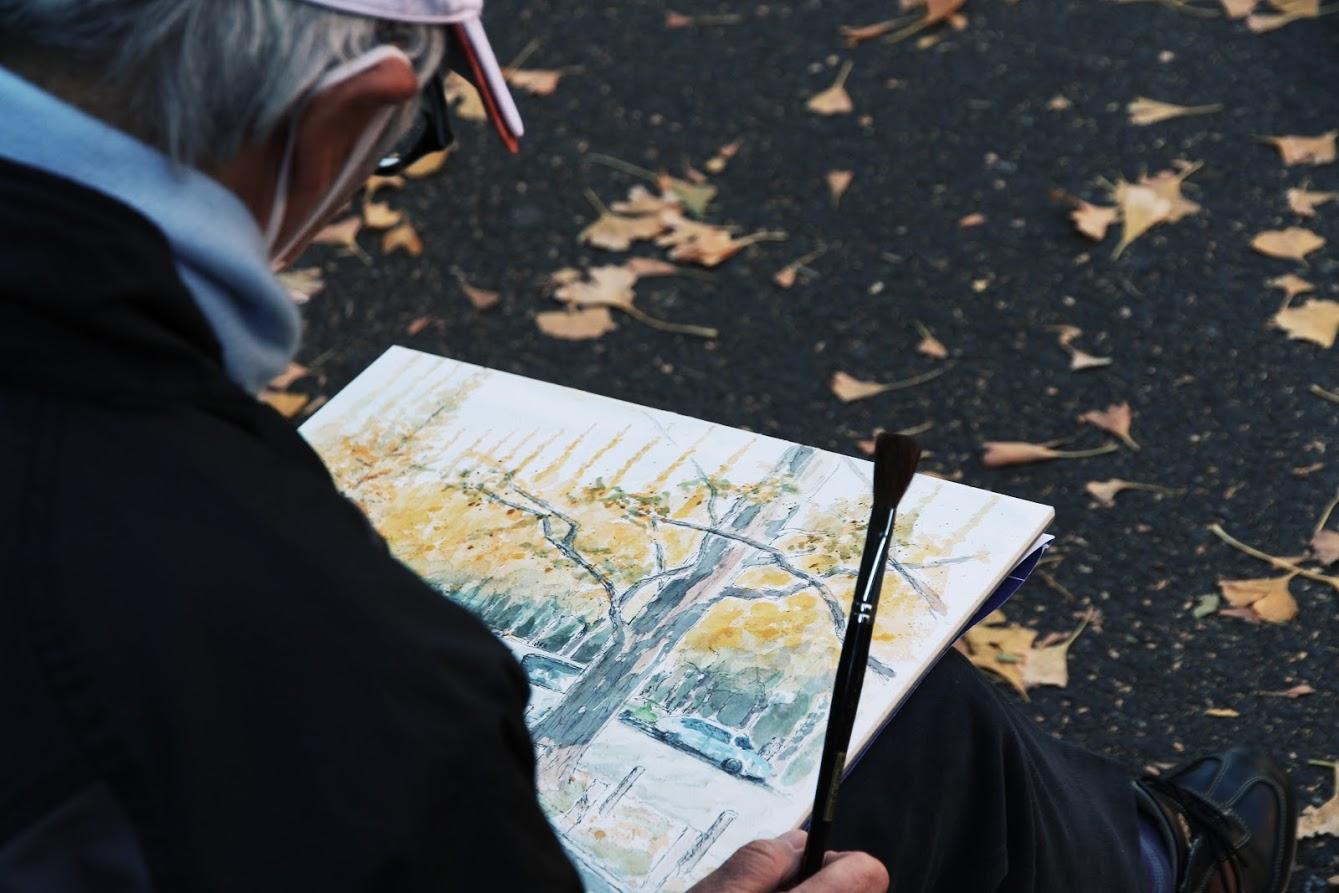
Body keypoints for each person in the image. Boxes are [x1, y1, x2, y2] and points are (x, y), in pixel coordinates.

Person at [0, 2, 1297, 891]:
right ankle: (1149, 859)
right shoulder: (320, 667)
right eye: (410, 146)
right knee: (903, 740)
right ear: (342, 123)